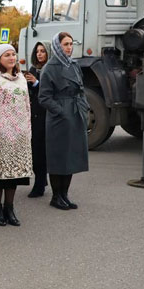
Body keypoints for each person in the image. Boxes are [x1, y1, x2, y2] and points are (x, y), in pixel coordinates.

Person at [0, 44, 33, 226]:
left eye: (13, 54)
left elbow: (27, 107)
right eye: (7, 55)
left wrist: (28, 131)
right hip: (0, 137)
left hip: (19, 137)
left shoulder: (21, 79)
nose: (11, 58)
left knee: (14, 176)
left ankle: (10, 208)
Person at [39, 32, 89, 210]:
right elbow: (44, 97)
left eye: (70, 44)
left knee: (71, 157)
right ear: (57, 46)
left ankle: (65, 195)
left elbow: (81, 89)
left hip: (75, 114)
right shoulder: (50, 68)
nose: (69, 47)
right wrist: (61, 111)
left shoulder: (74, 65)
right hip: (59, 118)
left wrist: (83, 107)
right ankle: (56, 196)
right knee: (58, 157)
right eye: (65, 44)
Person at [25, 42, 49, 198]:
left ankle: (41, 182)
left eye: (43, 51)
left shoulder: (51, 69)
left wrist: (36, 83)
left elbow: (51, 90)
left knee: (43, 150)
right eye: (37, 51)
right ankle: (40, 179)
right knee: (35, 150)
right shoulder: (33, 69)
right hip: (34, 115)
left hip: (47, 115)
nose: (40, 54)